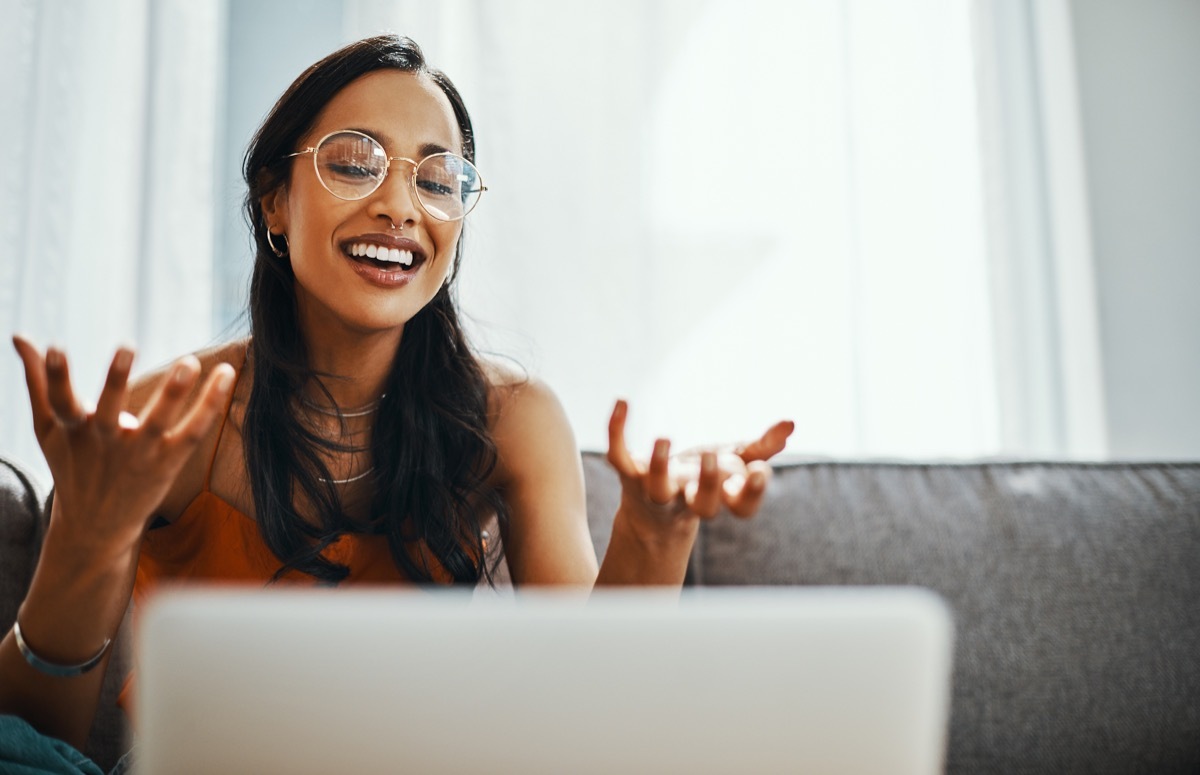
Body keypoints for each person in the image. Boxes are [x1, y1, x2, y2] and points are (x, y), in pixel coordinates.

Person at [0, 34, 793, 771]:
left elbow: (601, 717)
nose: (400, 206)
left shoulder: (511, 418)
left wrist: (655, 530)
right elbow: (35, 742)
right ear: (274, 202)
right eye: (354, 163)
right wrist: (88, 534)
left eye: (437, 178)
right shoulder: (174, 419)